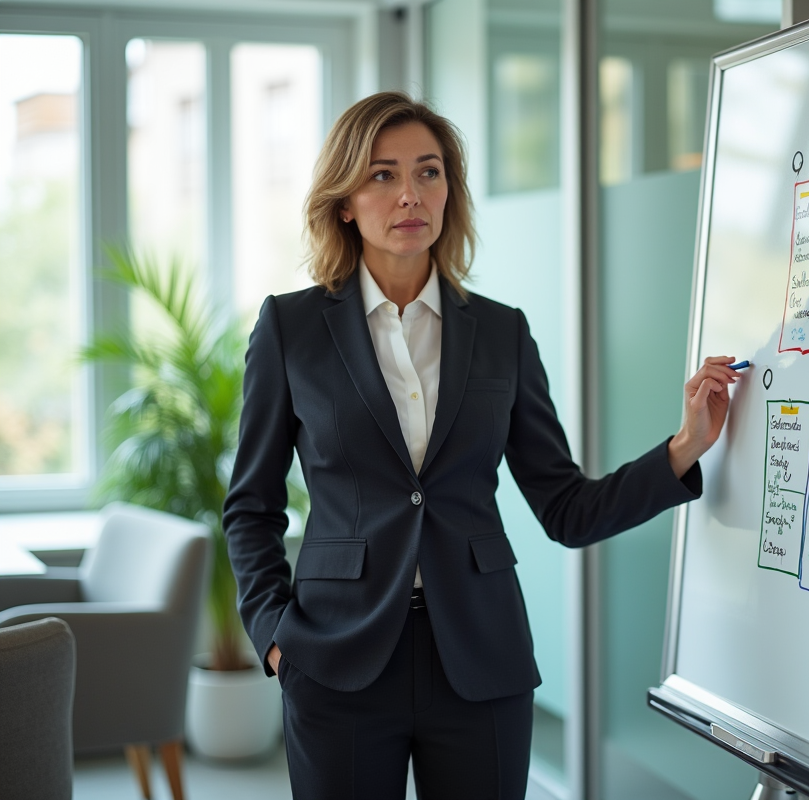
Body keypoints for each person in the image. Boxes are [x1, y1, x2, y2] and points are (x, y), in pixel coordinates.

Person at [222, 91, 739, 799]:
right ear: (344, 202)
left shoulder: (501, 333)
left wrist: (684, 446)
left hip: (481, 658)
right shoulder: (291, 328)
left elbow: (566, 508)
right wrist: (275, 638)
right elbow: (251, 506)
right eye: (382, 175)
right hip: (335, 657)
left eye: (428, 172)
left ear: (449, 191)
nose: (410, 194)